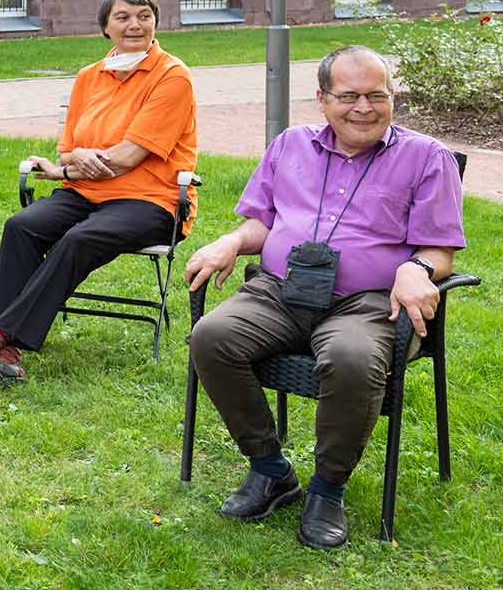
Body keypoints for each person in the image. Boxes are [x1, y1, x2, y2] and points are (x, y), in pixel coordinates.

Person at [183, 45, 465, 550]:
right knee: (212, 337)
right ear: (322, 98)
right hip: (282, 289)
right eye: (349, 96)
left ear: (392, 96)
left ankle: (327, 488)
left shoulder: (427, 157)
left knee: (352, 358)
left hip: (369, 301)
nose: (364, 107)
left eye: (377, 95)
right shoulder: (290, 144)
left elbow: (439, 248)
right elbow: (261, 221)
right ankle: (270, 470)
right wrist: (230, 240)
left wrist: (417, 267)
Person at [0, 0, 198, 387]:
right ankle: (6, 357)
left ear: (156, 21)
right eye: (123, 17)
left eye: (144, 15)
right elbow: (69, 149)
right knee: (21, 225)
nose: (135, 25)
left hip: (151, 200)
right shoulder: (90, 77)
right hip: (88, 192)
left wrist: (68, 170)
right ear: (105, 27)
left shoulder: (172, 76)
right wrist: (71, 164)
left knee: (78, 237)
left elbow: (128, 156)